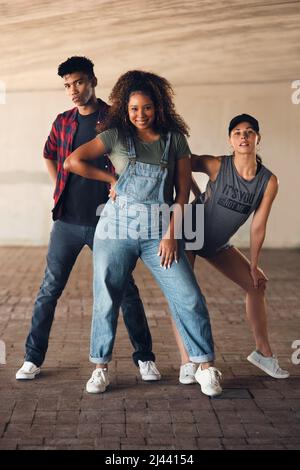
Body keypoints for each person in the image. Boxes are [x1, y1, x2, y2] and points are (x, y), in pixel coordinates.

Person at [64, 70, 223, 396]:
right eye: (134, 108)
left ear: (158, 106)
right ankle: (100, 368)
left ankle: (205, 367)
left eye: (147, 107)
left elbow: (181, 194)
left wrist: (171, 235)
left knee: (188, 295)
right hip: (116, 228)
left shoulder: (174, 139)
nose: (140, 114)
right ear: (125, 107)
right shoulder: (115, 136)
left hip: (158, 231)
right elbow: (73, 162)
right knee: (107, 295)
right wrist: (110, 182)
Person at [16, 57, 161, 382]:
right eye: (67, 85)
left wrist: (116, 184)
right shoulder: (63, 121)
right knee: (49, 289)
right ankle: (32, 358)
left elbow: (135, 160)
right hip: (67, 221)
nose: (74, 90)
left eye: (79, 82)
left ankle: (145, 358)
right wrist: (59, 187)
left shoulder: (117, 119)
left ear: (93, 80)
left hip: (108, 222)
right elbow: (49, 153)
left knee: (126, 290)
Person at [174, 113, 289, 385]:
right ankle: (187, 362)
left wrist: (253, 264)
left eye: (249, 132)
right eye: (237, 132)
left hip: (217, 243)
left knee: (256, 284)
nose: (243, 136)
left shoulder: (268, 181)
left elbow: (258, 226)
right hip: (188, 232)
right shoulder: (217, 165)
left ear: (258, 138)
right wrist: (192, 192)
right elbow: (181, 162)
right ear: (230, 140)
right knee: (184, 295)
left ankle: (263, 352)